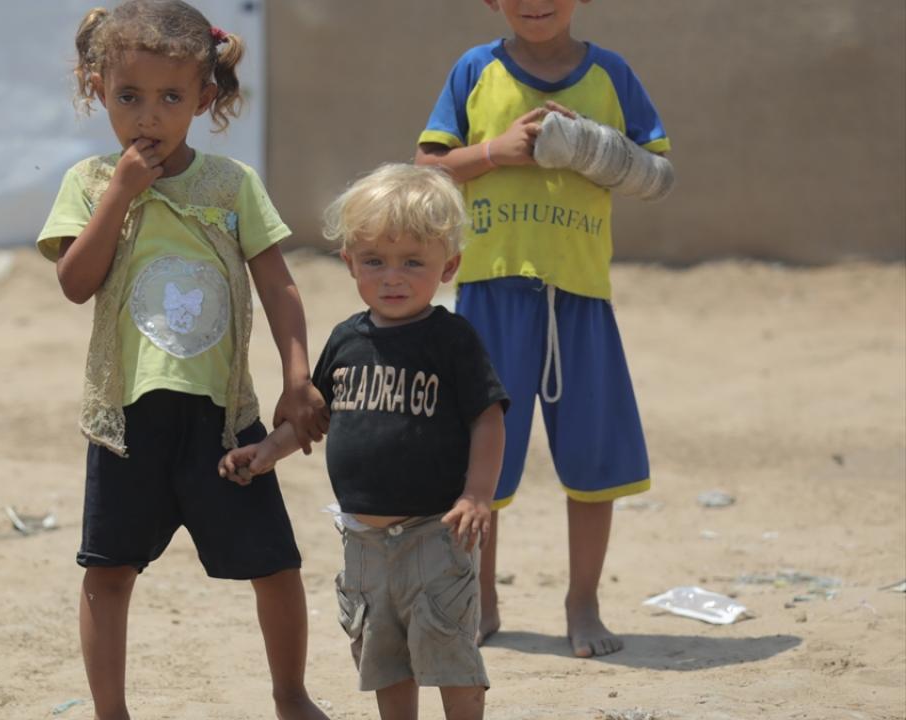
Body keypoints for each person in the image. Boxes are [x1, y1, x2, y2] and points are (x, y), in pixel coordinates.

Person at [35, 2, 329, 718]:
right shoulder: (90, 181)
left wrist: (298, 376)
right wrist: (120, 193)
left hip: (224, 420)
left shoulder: (231, 185)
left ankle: (290, 695)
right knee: (108, 571)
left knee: (276, 564)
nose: (149, 117)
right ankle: (111, 711)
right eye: (129, 97)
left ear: (204, 98)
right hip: (127, 421)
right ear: (98, 90)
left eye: (171, 97)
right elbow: (76, 282)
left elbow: (279, 286)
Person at [414, 0, 673, 658]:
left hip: (580, 294)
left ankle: (582, 603)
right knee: (481, 462)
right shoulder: (474, 70)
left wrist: (590, 148)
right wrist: (495, 152)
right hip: (490, 291)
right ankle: (482, 601)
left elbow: (655, 174)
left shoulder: (612, 74)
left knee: (594, 458)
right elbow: (427, 168)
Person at [220, 164, 509, 720]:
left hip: (435, 535)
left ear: (448, 266)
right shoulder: (347, 339)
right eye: (375, 260)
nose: (392, 277)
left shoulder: (452, 339)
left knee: (449, 651)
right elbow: (314, 416)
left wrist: (477, 494)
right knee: (383, 656)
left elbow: (488, 417)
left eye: (412, 262)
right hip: (363, 543)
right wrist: (267, 453)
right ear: (350, 261)